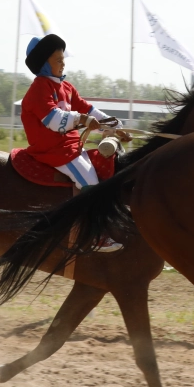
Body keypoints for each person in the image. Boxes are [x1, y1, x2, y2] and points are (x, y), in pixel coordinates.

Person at [21, 33, 121, 249]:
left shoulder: (66, 87)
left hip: (71, 149)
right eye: (58, 60)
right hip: (53, 151)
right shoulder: (39, 88)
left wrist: (113, 124)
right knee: (90, 183)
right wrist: (82, 119)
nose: (63, 63)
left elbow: (87, 107)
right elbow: (54, 120)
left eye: (63, 59)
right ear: (44, 65)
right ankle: (93, 237)